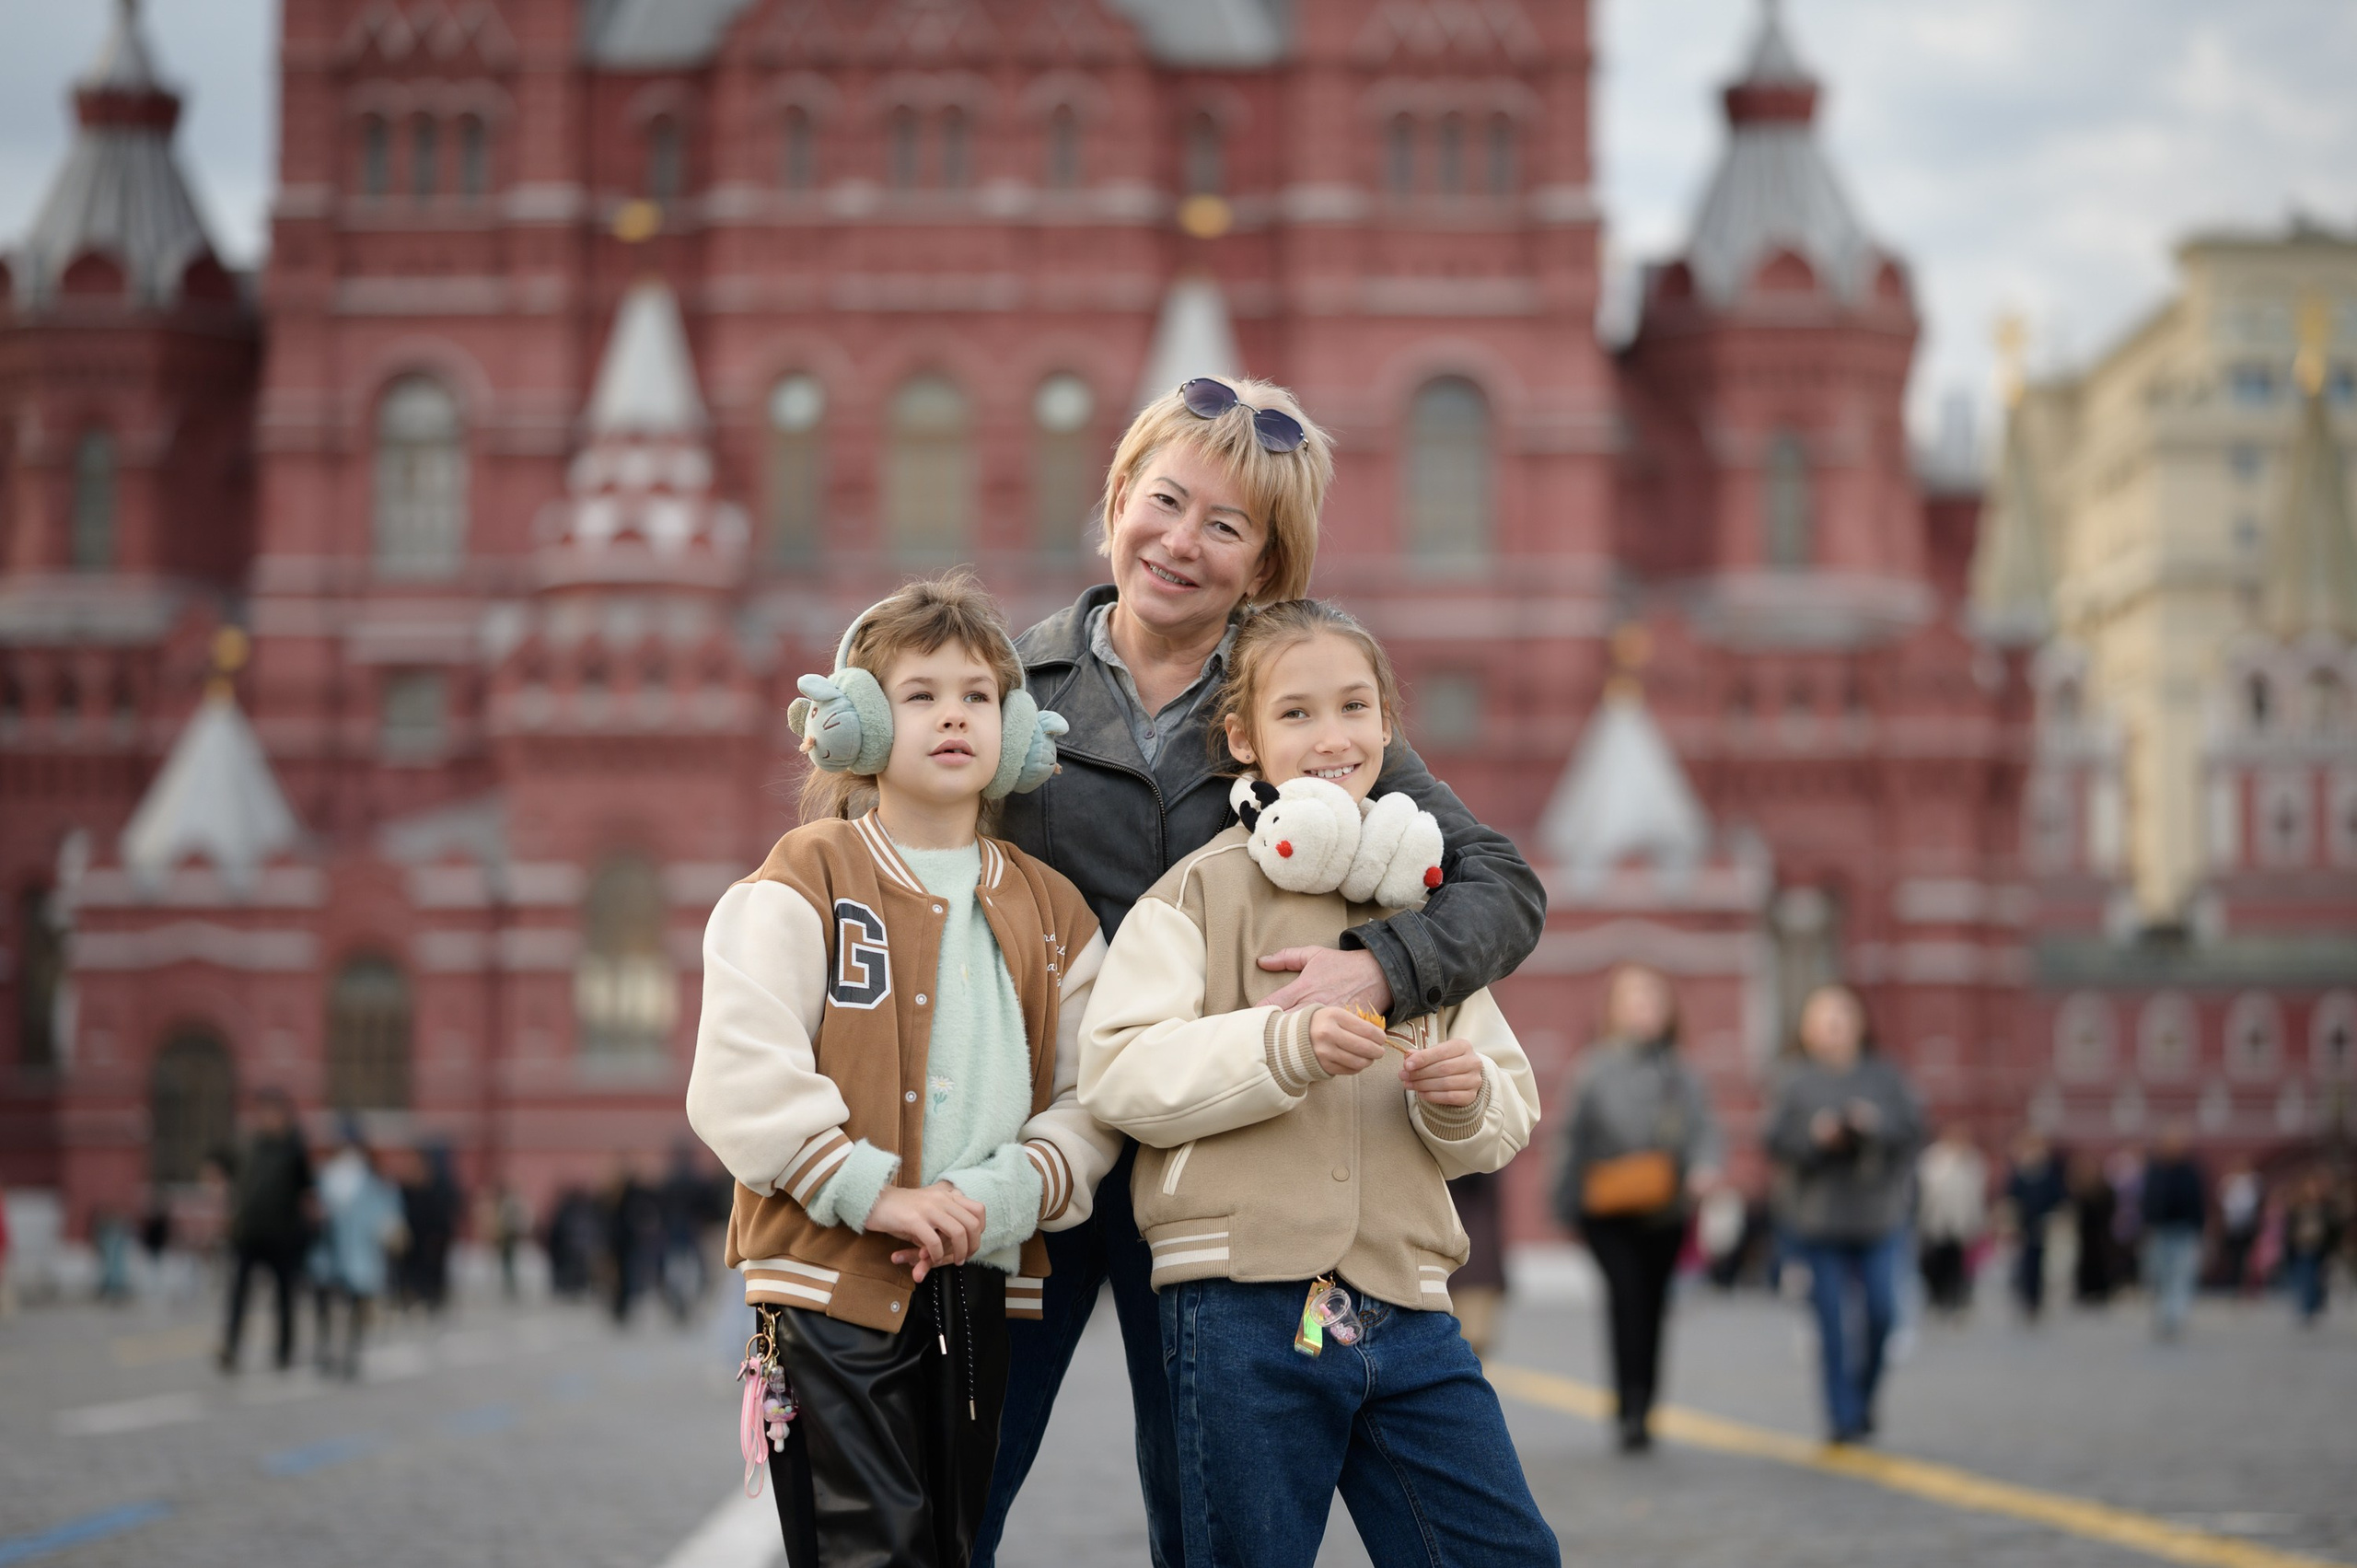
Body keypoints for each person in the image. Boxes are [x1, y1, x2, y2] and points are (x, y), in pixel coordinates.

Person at [978, 377, 1545, 1568]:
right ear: (1116, 498)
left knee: (1205, 1516)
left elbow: (1499, 885)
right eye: (1164, 500)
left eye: (1225, 525)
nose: (1181, 540)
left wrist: (1374, 967)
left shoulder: (1301, 708)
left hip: (1220, 1158)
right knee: (956, 1481)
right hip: (1033, 1142)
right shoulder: (1009, 689)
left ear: (1266, 564)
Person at [1078, 597, 1555, 1566]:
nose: (1331, 735)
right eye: (1296, 712)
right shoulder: (1196, 893)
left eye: (1354, 707)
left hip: (1410, 1301)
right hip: (1238, 1304)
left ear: (1387, 727)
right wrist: (1280, 1046)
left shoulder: (1423, 907)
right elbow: (1119, 1072)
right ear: (1242, 737)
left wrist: (1464, 1100)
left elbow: (1508, 1106)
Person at [686, 574, 1120, 1568]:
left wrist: (1001, 1194)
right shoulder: (807, 873)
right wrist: (871, 1191)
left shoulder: (1054, 911)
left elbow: (1091, 1098)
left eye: (977, 695)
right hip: (826, 1282)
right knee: (867, 1550)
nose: (953, 714)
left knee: (948, 1545)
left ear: (1015, 729)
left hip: (978, 1287)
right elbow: (740, 1069)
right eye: (920, 694)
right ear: (861, 722)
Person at [1553, 962, 1721, 1452]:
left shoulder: (1682, 1071)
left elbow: (1705, 1130)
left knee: (1654, 1304)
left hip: (1666, 1210)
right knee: (1626, 1299)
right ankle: (1628, 1407)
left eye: (1653, 1000)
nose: (1645, 1009)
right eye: (1634, 999)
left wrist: (1704, 1167)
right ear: (1614, 1010)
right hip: (1607, 1210)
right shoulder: (1593, 1068)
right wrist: (1564, 1202)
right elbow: (1570, 1139)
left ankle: (1645, 1404)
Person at [1765, 984, 1923, 1446]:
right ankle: (1842, 1415)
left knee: (1883, 1313)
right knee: (1831, 1324)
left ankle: (1863, 1395)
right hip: (1818, 1220)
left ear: (1860, 1023)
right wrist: (1816, 1137)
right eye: (1823, 1017)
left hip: (1878, 1215)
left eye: (1842, 1015)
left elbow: (1914, 1129)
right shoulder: (1795, 1081)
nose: (1834, 1026)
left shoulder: (1884, 1075)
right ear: (1807, 1029)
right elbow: (1775, 1141)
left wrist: (1874, 1124)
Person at [218, 1088, 313, 1374]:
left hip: (282, 1236)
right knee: (239, 1295)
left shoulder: (294, 1150)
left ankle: (284, 1351)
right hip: (249, 1234)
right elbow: (224, 1171)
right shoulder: (248, 1146)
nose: (267, 1119)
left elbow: (308, 1190)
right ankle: (231, 1347)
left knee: (284, 1297)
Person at [308, 1128, 404, 1380]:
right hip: (328, 1255)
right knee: (326, 1305)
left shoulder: (372, 1182)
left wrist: (389, 1229)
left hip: (359, 1256)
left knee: (355, 1306)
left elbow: (386, 1214)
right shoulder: (325, 1178)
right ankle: (325, 1349)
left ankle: (351, 1352)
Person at [2141, 1122, 2207, 1341]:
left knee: (2181, 1274)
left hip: (2183, 1229)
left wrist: (2199, 1227)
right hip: (2159, 1230)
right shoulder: (2155, 1168)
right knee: (2160, 1276)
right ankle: (2164, 1315)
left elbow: (2198, 1200)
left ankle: (2175, 1316)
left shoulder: (2190, 1170)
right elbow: (2148, 1199)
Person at [1915, 1124, 1986, 1318]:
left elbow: (1976, 1196)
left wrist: (1976, 1222)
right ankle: (1937, 1298)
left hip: (1960, 1222)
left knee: (1959, 1265)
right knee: (1935, 1262)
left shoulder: (1971, 1160)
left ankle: (1956, 1300)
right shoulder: (1933, 1158)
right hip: (1936, 1220)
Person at [2002, 1131, 2067, 1323]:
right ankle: (2025, 1298)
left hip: (2043, 1225)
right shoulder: (2021, 1173)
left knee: (2040, 1264)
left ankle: (2037, 1299)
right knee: (2023, 1263)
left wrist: (2052, 1216)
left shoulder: (2048, 1173)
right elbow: (2011, 1197)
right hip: (2023, 1225)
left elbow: (2058, 1197)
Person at [2281, 1167, 2342, 1327]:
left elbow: (2334, 1228)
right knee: (2305, 1276)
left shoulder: (2326, 1207)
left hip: (2320, 1246)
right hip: (2301, 1246)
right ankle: (2307, 1307)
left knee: (2318, 1278)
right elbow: (2290, 1227)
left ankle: (2314, 1305)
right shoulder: (2298, 1206)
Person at [2070, 1150, 2119, 1307]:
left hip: (2100, 1236)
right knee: (2086, 1263)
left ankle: (2101, 1291)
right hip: (2086, 1236)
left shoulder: (2103, 1189)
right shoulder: (2081, 1190)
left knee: (2101, 1263)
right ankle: (2086, 1291)